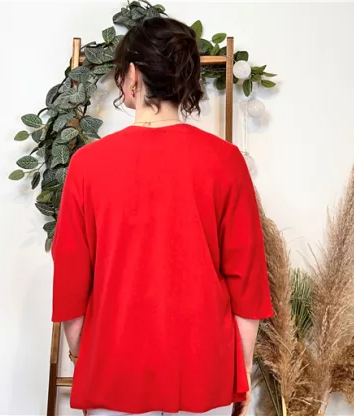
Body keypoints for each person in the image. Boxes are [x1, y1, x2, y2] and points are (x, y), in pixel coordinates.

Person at [52, 16, 273, 416]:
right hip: (204, 368)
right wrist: (240, 372)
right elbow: (246, 278)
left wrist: (81, 352)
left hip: (114, 366)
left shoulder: (88, 164)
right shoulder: (225, 161)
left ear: (133, 75)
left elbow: (71, 275)